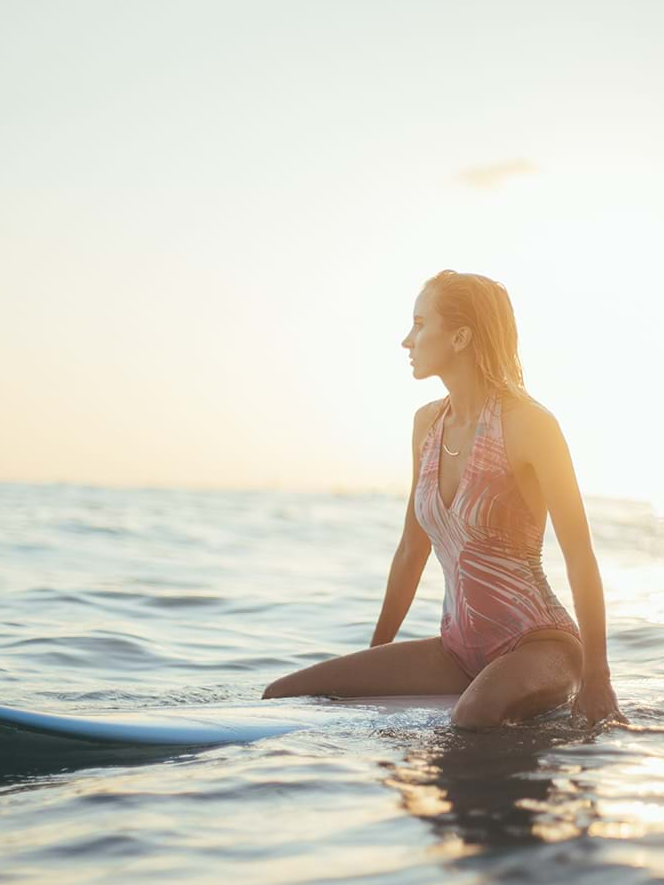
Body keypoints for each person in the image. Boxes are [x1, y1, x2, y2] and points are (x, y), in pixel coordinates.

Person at [263, 270, 622, 728]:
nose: (406, 341)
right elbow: (412, 550)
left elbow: (580, 555)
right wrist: (375, 661)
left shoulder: (530, 425)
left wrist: (597, 677)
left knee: (474, 717)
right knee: (285, 694)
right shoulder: (427, 425)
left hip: (539, 645)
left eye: (419, 323)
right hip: (456, 651)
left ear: (460, 336)